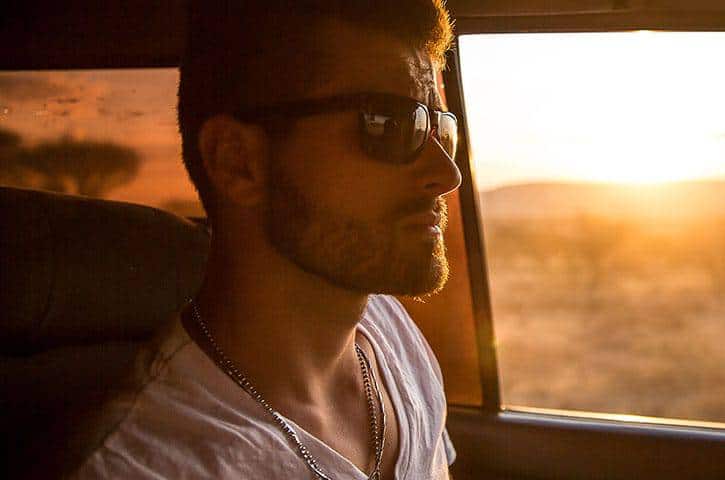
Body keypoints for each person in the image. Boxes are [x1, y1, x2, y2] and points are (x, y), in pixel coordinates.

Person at [70, 1, 460, 478]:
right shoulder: (146, 464)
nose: (447, 174)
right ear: (238, 162)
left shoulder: (391, 334)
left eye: (440, 128)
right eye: (389, 124)